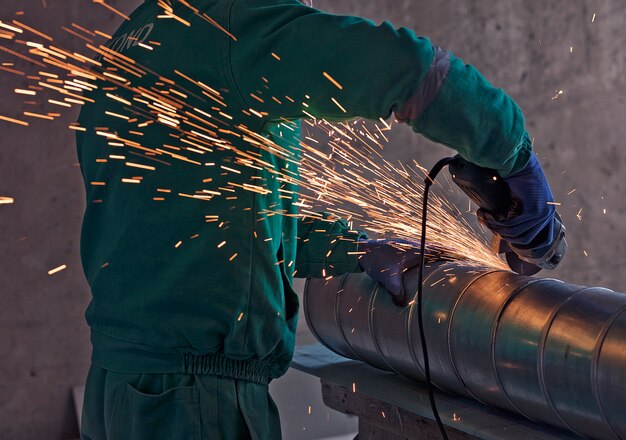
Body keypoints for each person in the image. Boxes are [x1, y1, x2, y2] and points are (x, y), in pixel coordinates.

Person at [76, 0, 555, 438]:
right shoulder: (234, 24)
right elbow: (412, 71)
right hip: (193, 404)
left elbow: (202, 222)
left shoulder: (146, 32)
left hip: (123, 387)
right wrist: (514, 156)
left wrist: (355, 247)